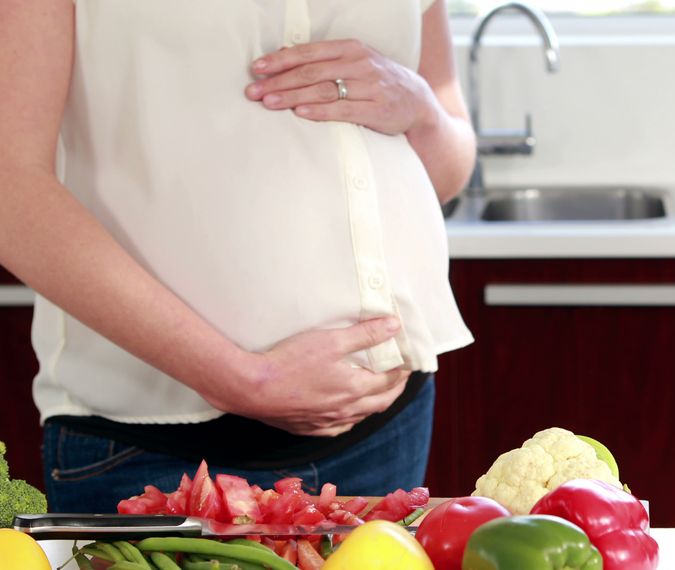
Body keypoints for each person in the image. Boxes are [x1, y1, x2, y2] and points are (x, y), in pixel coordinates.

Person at [0, 0, 475, 512]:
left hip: (384, 423)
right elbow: (12, 185)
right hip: (152, 449)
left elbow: (447, 171)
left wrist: (422, 109)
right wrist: (241, 378)